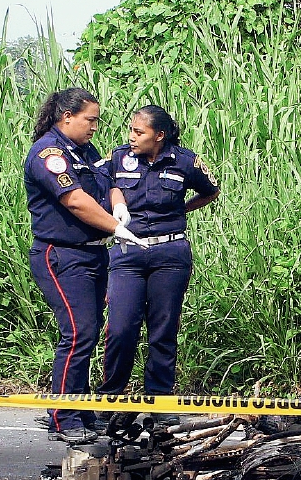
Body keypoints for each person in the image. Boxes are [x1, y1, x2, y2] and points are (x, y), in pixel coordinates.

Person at [25, 88, 148, 444]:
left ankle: (80, 409)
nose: (95, 127)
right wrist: (115, 227)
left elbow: (108, 181)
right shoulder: (50, 154)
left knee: (90, 333)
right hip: (62, 254)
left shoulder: (85, 151)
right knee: (78, 333)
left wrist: (118, 205)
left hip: (93, 253)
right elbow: (75, 201)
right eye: (90, 120)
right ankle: (63, 416)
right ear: (67, 117)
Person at [96, 105, 220, 422]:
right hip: (128, 252)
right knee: (121, 328)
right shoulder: (119, 157)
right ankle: (111, 398)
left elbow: (211, 191)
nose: (132, 136)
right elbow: (104, 185)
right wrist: (117, 207)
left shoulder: (185, 161)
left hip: (170, 254)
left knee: (163, 330)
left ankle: (160, 400)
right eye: (131, 130)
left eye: (139, 132)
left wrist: (181, 211)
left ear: (159, 135)